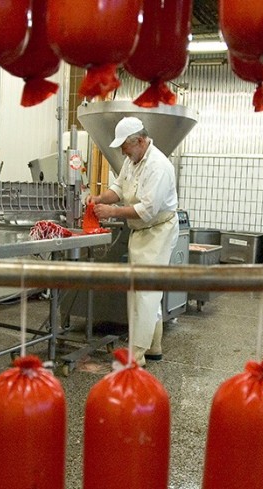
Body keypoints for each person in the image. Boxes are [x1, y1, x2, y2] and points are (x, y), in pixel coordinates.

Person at [87, 116, 179, 367]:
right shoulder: (132, 160)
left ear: (139, 140)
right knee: (142, 291)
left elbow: (148, 210)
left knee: (146, 292)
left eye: (125, 146)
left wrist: (112, 212)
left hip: (158, 230)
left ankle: (136, 356)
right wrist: (99, 199)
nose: (122, 152)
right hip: (141, 232)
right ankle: (153, 346)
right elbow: (117, 189)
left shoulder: (158, 166)